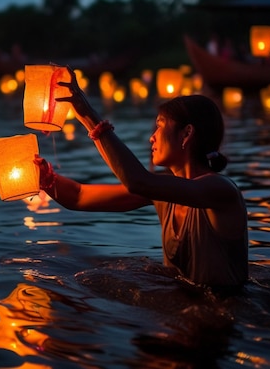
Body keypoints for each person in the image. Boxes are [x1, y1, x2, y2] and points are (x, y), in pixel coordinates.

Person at [34, 66, 248, 291]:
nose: (151, 137)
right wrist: (47, 179)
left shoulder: (221, 191)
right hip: (181, 314)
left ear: (186, 134)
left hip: (225, 316)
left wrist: (88, 116)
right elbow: (78, 197)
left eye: (160, 126)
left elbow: (137, 181)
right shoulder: (162, 194)